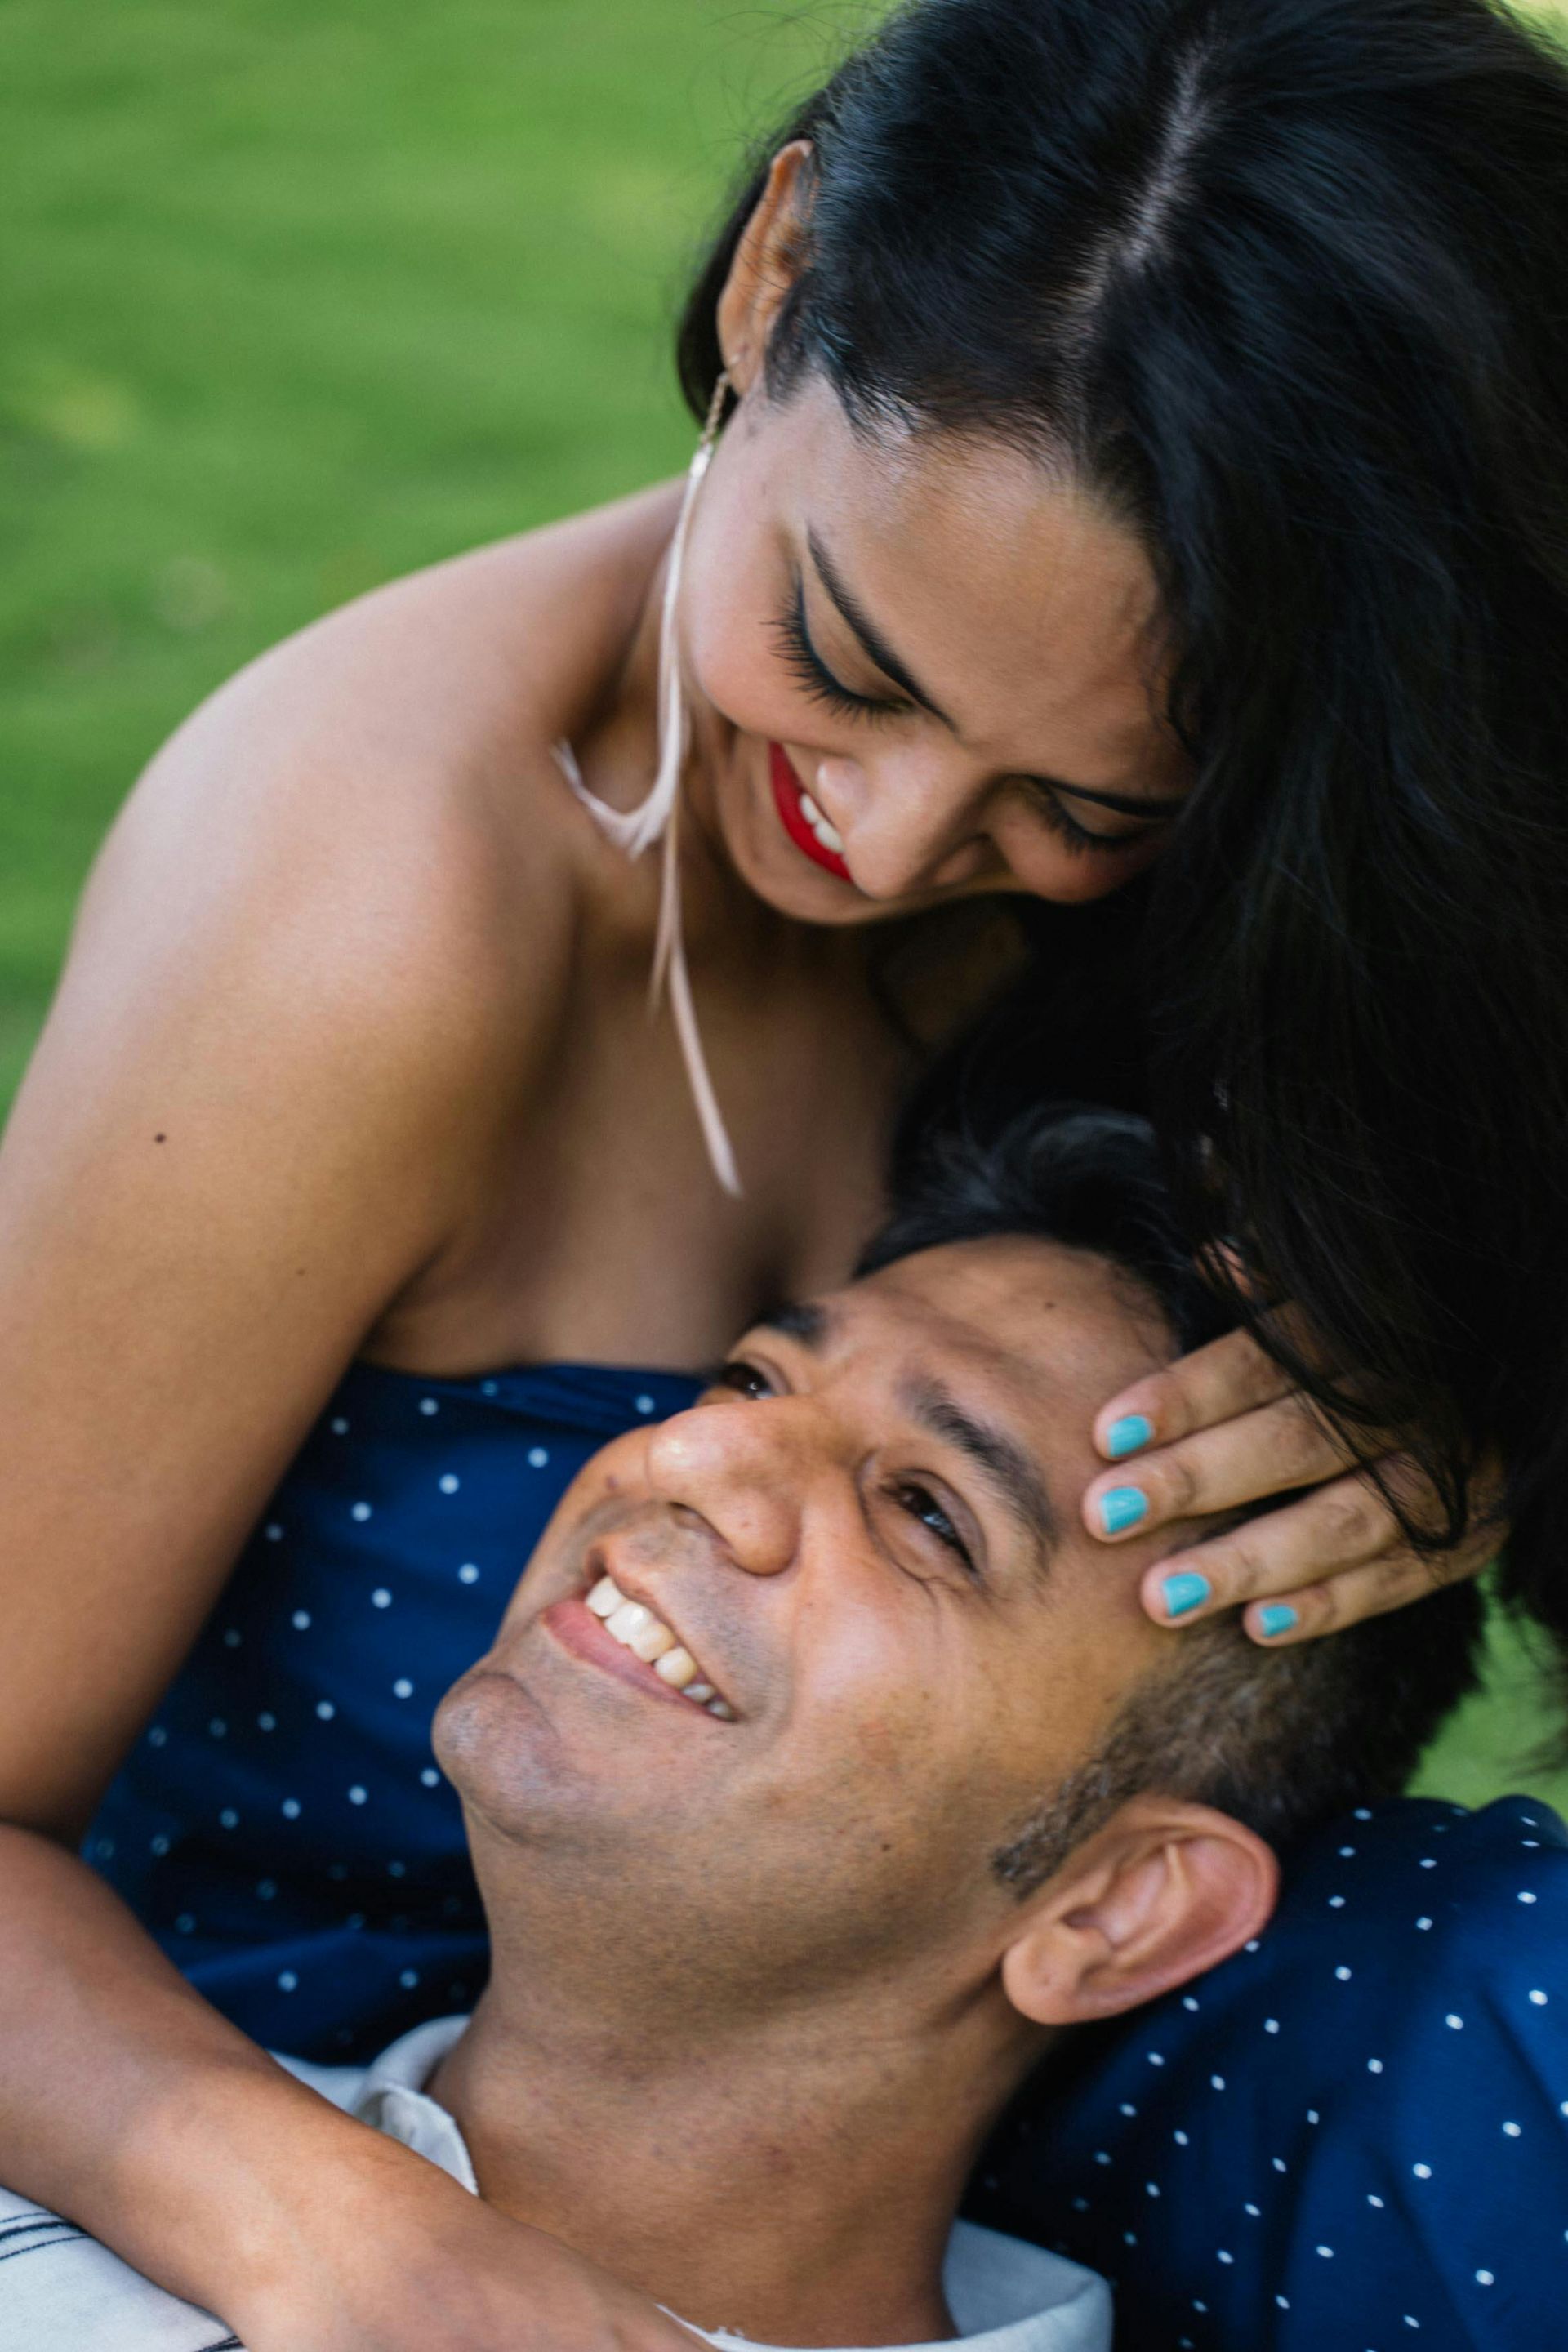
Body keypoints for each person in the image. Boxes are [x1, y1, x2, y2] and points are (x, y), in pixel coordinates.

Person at [0, 0, 1561, 2340]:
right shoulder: (369, 891)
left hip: (1017, 2025)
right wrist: (367, 2248)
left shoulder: (1348, 859)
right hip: (264, 2086)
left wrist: (1482, 1417)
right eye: (848, 657)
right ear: (773, 273)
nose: (901, 847)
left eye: (1093, 805)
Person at [0, 1107, 1497, 2352]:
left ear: (1115, 1909)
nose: (687, 1452)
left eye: (927, 1513)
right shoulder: (79, 2109)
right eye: (752, 1374)